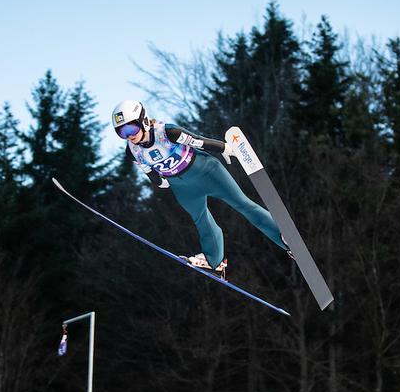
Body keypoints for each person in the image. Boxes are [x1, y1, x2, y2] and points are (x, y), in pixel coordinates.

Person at [110, 100, 291, 277]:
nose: (129, 135)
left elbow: (198, 141)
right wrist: (159, 182)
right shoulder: (132, 151)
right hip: (181, 186)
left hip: (207, 171)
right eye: (122, 133)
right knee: (201, 219)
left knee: (242, 204)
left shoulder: (167, 132)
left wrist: (224, 148)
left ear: (143, 120)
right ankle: (215, 262)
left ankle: (283, 238)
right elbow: (149, 171)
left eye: (131, 128)